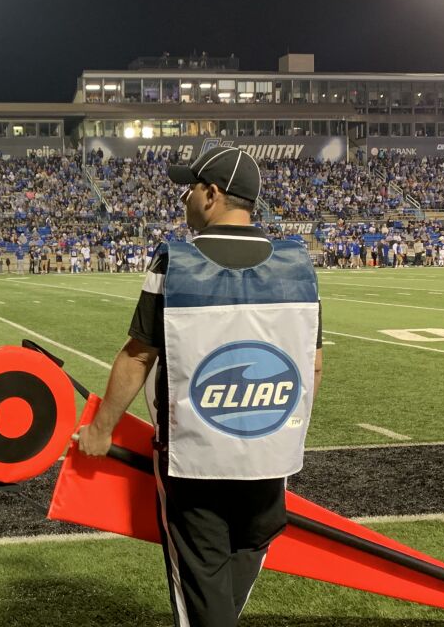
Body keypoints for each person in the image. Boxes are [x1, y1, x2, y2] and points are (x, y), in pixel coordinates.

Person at [77, 145, 322, 627]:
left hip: (195, 462)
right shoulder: (299, 265)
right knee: (244, 553)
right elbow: (311, 366)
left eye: (189, 190)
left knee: (201, 592)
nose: (184, 200)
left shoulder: (177, 262)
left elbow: (138, 355)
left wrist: (101, 429)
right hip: (269, 458)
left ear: (212, 194)